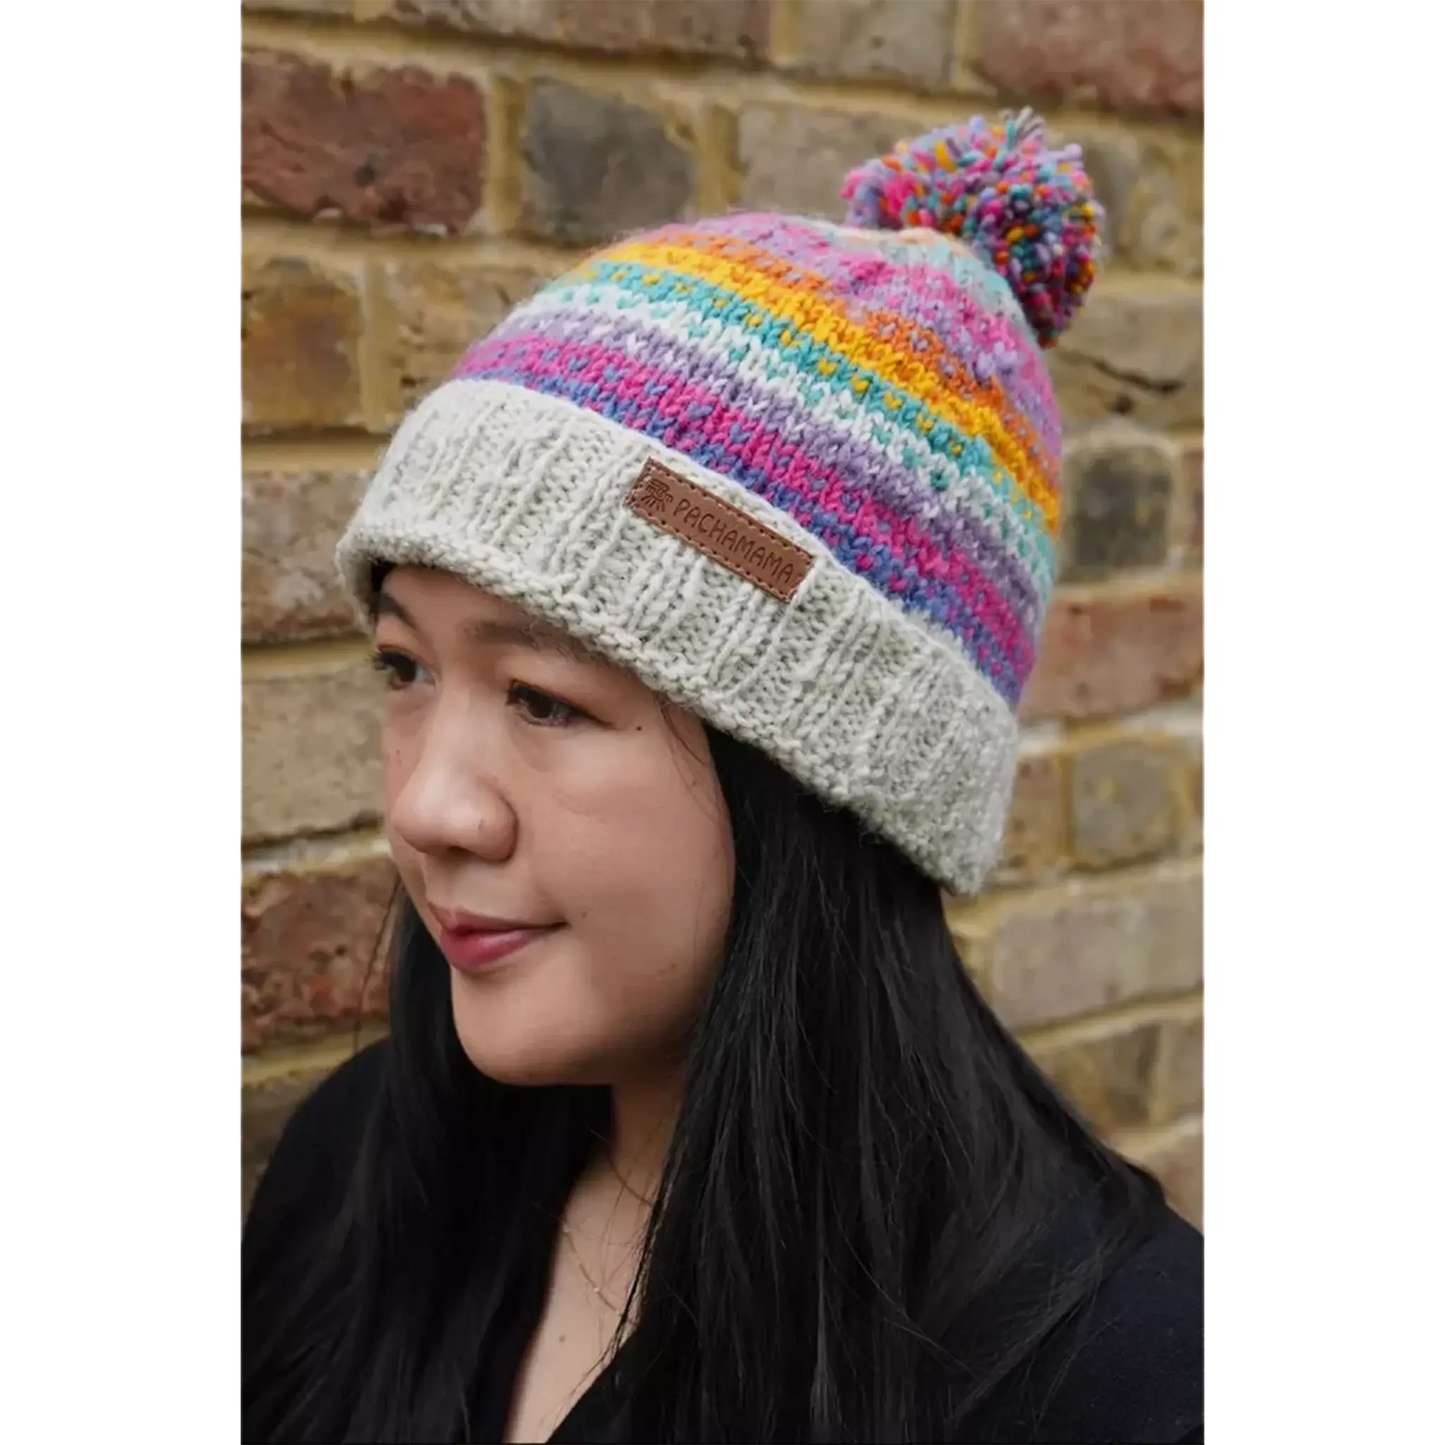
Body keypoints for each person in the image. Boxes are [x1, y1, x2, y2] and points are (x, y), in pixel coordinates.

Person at [238, 112, 1206, 1444]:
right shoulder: (357, 1174)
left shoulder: (1125, 1390)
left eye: (544, 698)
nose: (424, 808)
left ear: (824, 781)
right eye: (405, 667)